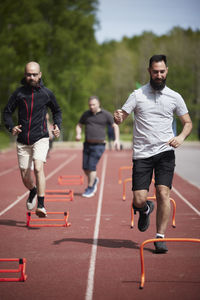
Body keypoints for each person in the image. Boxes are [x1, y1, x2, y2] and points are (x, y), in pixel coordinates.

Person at [114, 55, 192, 253]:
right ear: (149, 71)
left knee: (163, 193)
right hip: (142, 154)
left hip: (165, 152)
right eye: (155, 71)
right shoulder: (137, 95)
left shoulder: (175, 96)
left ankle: (160, 237)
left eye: (162, 71)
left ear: (167, 71)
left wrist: (181, 137)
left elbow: (188, 123)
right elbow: (121, 117)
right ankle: (145, 209)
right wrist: (117, 117)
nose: (159, 75)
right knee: (139, 199)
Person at [3, 61, 62, 218]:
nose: (31, 77)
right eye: (29, 74)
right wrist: (11, 127)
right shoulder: (18, 94)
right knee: (25, 175)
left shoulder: (46, 93)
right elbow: (7, 112)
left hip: (40, 137)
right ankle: (33, 190)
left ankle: (41, 205)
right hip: (22, 140)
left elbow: (57, 110)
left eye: (34, 74)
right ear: (25, 75)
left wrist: (57, 126)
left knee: (38, 168)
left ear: (40, 75)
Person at [76, 96, 120, 198]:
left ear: (98, 104)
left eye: (93, 104)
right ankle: (94, 179)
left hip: (99, 145)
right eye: (90, 105)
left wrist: (116, 140)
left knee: (91, 166)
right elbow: (79, 125)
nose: (91, 106)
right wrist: (78, 134)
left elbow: (115, 126)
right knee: (85, 168)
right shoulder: (86, 114)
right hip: (87, 144)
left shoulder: (106, 114)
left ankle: (90, 187)